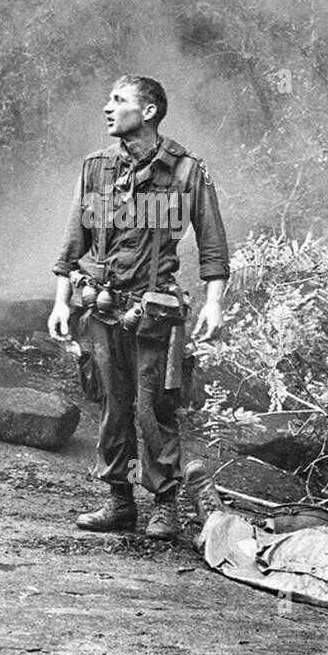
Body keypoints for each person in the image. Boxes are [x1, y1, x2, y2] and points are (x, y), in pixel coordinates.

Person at [47, 75, 229, 540]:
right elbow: (72, 243)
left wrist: (213, 303)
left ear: (148, 112)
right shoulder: (95, 168)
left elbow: (212, 245)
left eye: (118, 100)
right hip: (103, 307)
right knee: (113, 406)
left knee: (155, 409)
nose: (107, 107)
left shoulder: (188, 172)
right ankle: (119, 502)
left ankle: (163, 505)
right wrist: (62, 302)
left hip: (155, 313)